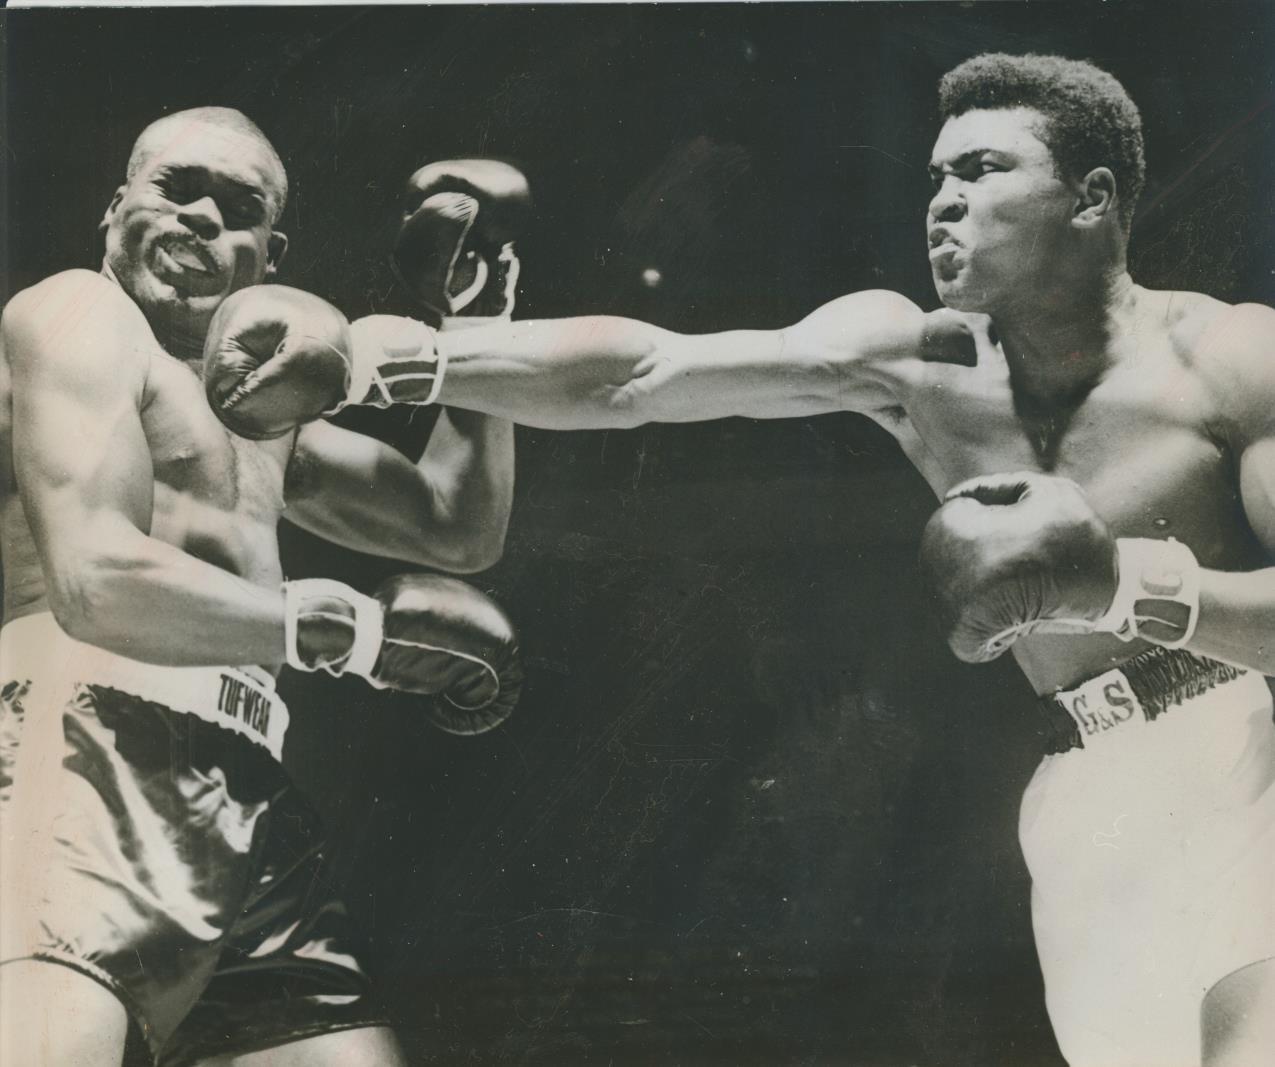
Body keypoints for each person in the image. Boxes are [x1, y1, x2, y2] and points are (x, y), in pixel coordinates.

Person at [215, 55, 1274, 1065]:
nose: (943, 198)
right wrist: (384, 360)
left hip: (1249, 745)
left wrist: (1126, 586)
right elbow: (646, 372)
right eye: (936, 174)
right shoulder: (916, 358)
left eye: (984, 169)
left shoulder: (1227, 359)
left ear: (1091, 198)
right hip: (1084, 798)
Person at [0, 107, 527, 1067]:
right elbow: (95, 579)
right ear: (117, 206)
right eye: (177, 187)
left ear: (269, 255)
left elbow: (458, 523)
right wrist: (342, 634)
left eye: (236, 207)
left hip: (246, 781)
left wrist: (475, 323)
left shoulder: (258, 410)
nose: (203, 216)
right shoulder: (78, 316)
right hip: (81, 739)